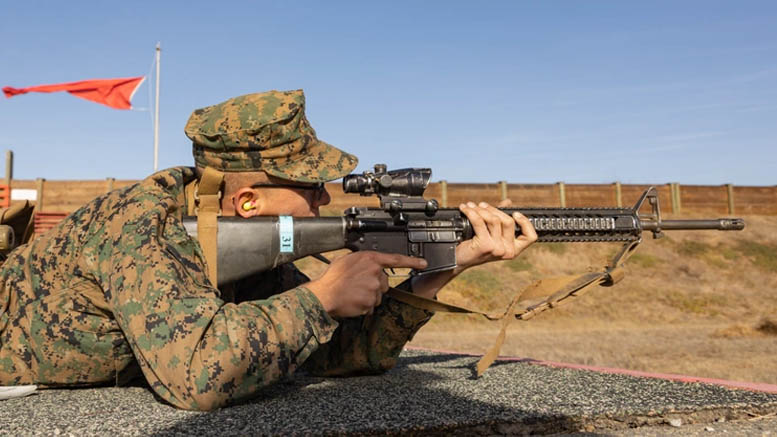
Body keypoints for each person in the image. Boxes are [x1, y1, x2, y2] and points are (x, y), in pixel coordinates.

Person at [0, 90, 537, 410]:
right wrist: (321, 296)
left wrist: (441, 266)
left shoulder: (233, 237)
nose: (326, 197)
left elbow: (336, 354)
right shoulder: (145, 226)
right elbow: (197, 379)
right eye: (311, 187)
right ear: (250, 201)